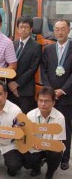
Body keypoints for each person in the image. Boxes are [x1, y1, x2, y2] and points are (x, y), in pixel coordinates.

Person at [41, 19, 72, 170]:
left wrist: (63, 90)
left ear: (69, 30)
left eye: (63, 29)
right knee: (46, 125)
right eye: (57, 29)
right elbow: (44, 70)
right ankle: (46, 154)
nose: (59, 32)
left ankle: (64, 158)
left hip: (67, 95)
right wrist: (49, 90)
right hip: (49, 94)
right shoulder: (48, 49)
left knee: (65, 126)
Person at [23, 87, 66, 179]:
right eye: (40, 100)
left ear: (53, 102)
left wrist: (43, 145)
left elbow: (57, 141)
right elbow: (27, 136)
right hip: (35, 147)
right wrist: (32, 142)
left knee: (57, 152)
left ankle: (49, 173)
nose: (43, 104)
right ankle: (36, 168)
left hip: (51, 147)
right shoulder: (30, 115)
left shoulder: (59, 117)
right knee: (27, 162)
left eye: (46, 101)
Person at [8, 16, 42, 113]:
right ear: (17, 29)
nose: (23, 29)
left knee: (23, 120)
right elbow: (7, 64)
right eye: (21, 26)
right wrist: (11, 83)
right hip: (10, 89)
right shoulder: (12, 44)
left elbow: (33, 69)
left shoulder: (36, 46)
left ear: (31, 29)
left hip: (25, 90)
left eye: (26, 27)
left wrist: (17, 84)